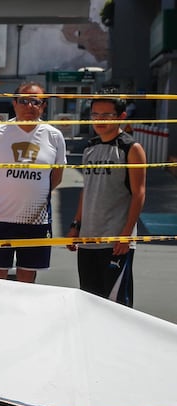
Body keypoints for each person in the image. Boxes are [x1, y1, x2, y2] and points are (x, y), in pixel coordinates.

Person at [0, 81, 67, 283]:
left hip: (36, 220)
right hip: (0, 219)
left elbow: (56, 176)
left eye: (36, 102)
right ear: (14, 103)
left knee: (27, 277)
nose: (30, 106)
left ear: (43, 106)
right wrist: (3, 197)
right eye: (24, 101)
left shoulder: (54, 136)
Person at [67, 97, 146, 307]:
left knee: (116, 306)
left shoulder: (131, 148)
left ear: (121, 117)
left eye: (107, 115)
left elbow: (139, 193)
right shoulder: (90, 148)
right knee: (89, 303)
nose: (100, 119)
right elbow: (87, 189)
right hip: (88, 239)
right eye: (95, 114)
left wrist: (126, 234)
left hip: (115, 241)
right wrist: (76, 225)